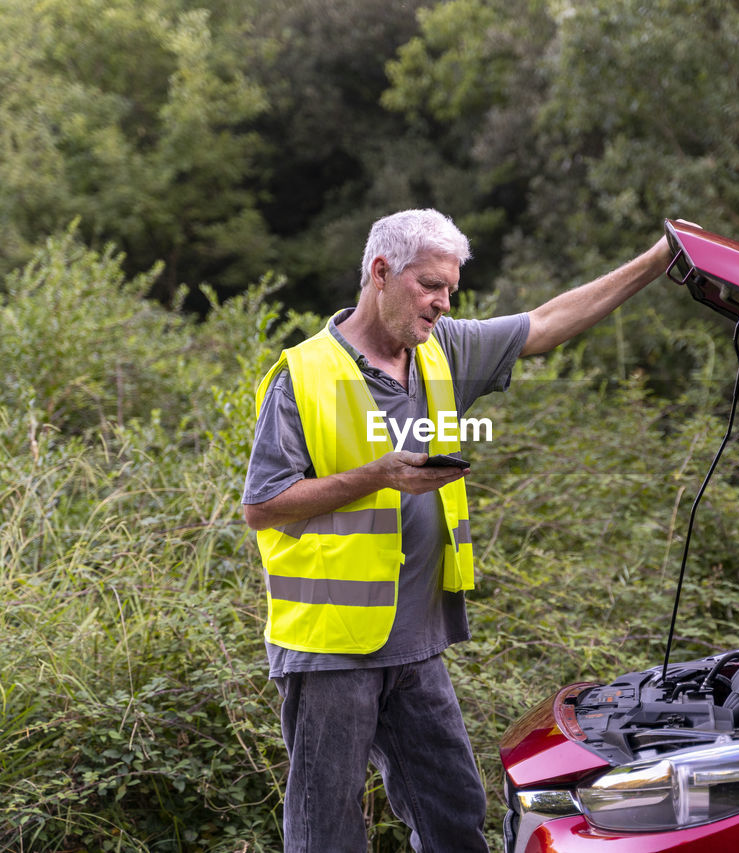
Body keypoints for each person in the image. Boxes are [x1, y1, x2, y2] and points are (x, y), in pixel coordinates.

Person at [241, 209, 671, 852]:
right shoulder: (301, 377)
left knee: (455, 817)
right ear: (380, 273)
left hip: (416, 644)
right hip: (331, 650)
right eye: (430, 285)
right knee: (324, 833)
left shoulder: (442, 350)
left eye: (450, 290)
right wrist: (379, 475)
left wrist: (659, 258)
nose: (443, 303)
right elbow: (264, 505)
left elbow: (548, 324)